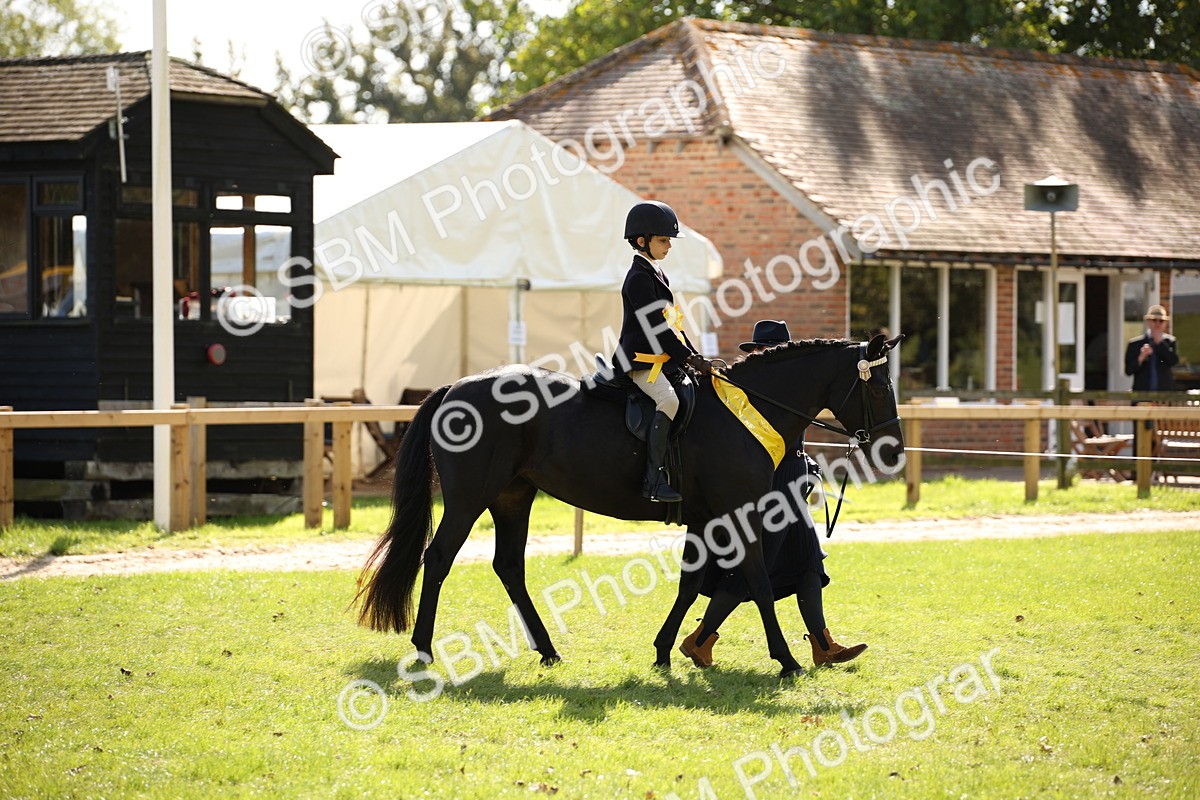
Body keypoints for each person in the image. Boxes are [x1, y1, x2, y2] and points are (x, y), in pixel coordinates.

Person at [679, 319, 867, 669]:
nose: (766, 353)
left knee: (809, 564)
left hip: (794, 483)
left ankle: (823, 645)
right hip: (771, 488)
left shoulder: (790, 387)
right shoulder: (745, 393)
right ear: (755, 352)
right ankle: (700, 639)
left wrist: (808, 464)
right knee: (753, 569)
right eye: (762, 349)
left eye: (773, 349)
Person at [612, 201, 710, 503]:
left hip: (662, 360)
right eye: (664, 240)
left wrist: (693, 355)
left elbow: (673, 324)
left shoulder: (656, 273)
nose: (669, 246)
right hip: (642, 362)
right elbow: (656, 328)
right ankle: (653, 480)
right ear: (642, 241)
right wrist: (686, 357)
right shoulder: (639, 278)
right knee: (668, 401)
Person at [1124, 305, 1179, 391]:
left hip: (1164, 393)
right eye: (1154, 320)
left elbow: (1173, 362)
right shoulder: (1135, 344)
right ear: (1148, 321)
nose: (1157, 323)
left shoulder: (1170, 342)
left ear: (1165, 323)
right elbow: (1128, 371)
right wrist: (1141, 357)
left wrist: (1160, 343)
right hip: (1142, 393)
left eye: (1161, 321)